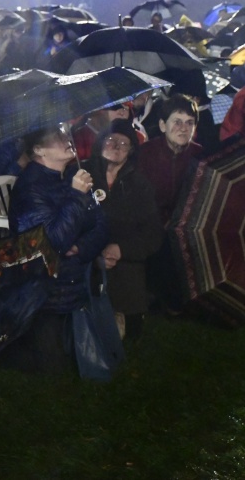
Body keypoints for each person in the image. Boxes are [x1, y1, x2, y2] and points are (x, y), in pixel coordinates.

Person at [3, 125, 107, 373]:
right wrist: (77, 196)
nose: (66, 137)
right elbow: (54, 243)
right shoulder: (31, 187)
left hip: (75, 282)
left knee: (76, 359)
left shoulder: (72, 175)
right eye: (58, 136)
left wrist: (80, 247)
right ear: (38, 149)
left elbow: (102, 224)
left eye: (65, 132)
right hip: (45, 292)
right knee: (52, 367)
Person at [85, 120, 163, 339]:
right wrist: (94, 253)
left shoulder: (140, 185)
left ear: (131, 151)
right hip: (86, 257)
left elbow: (153, 235)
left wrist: (122, 249)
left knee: (130, 333)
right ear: (100, 143)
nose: (117, 146)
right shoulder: (80, 175)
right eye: (111, 140)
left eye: (124, 143)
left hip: (122, 260)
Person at [138, 94, 202, 314]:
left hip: (186, 227)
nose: (183, 128)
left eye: (189, 123)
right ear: (163, 125)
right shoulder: (145, 154)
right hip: (151, 225)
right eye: (177, 121)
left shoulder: (200, 156)